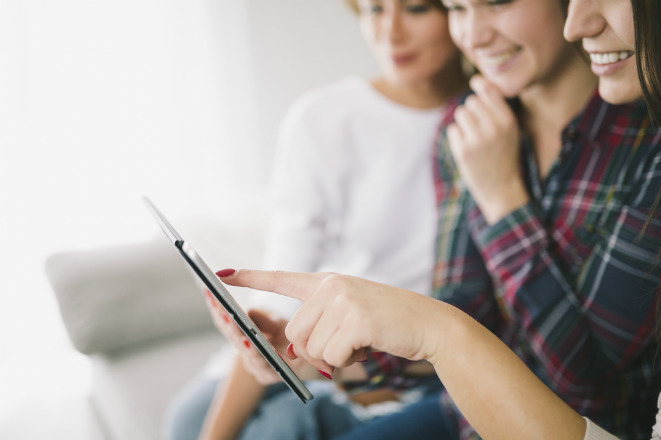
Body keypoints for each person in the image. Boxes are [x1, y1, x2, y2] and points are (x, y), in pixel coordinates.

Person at [212, 0, 661, 439]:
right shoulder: (467, 122)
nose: (474, 35)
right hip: (463, 415)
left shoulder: (648, 142)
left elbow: (583, 380)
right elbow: (461, 314)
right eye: (458, 8)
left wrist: (503, 200)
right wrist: (314, 356)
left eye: (497, 2)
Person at [161, 1, 468, 439]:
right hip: (310, 339)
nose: (390, 32)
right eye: (374, 9)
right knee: (187, 421)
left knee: (281, 428)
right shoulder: (324, 117)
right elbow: (291, 269)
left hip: (392, 362)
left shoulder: (485, 122)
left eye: (417, 9)